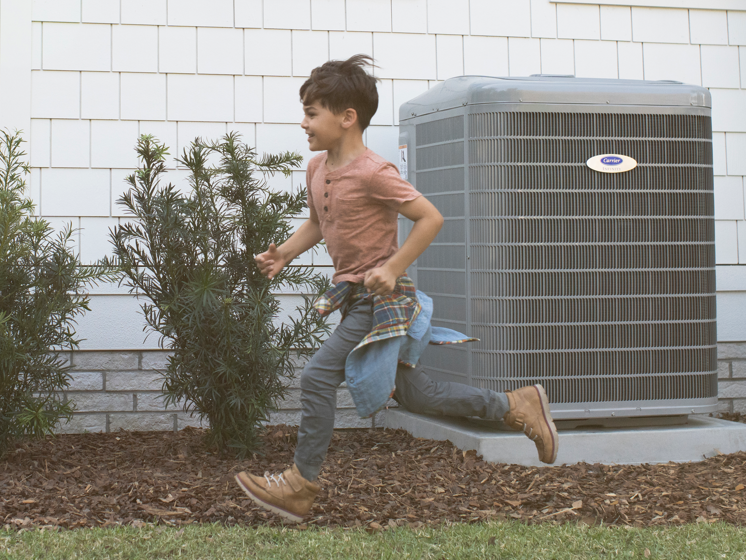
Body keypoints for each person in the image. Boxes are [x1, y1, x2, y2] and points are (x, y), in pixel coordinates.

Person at [235, 55, 557, 522]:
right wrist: (284, 253)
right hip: (356, 300)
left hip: (381, 301)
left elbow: (431, 218)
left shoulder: (374, 171)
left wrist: (392, 265)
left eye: (311, 112)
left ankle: (300, 485)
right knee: (415, 394)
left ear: (347, 118)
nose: (303, 122)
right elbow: (318, 223)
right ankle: (514, 404)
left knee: (317, 376)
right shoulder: (316, 168)